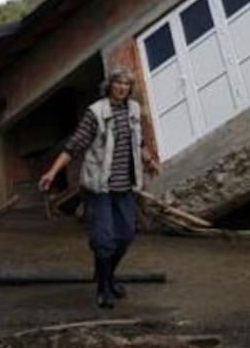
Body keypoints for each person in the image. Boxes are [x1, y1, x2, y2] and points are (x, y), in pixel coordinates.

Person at [38, 68, 161, 308]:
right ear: (110, 85)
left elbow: (140, 142)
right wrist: (52, 173)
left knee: (125, 235)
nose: (122, 87)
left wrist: (150, 162)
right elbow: (73, 147)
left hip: (125, 187)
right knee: (104, 240)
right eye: (118, 82)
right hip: (99, 188)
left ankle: (108, 275)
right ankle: (103, 287)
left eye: (126, 84)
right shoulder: (96, 112)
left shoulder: (133, 110)